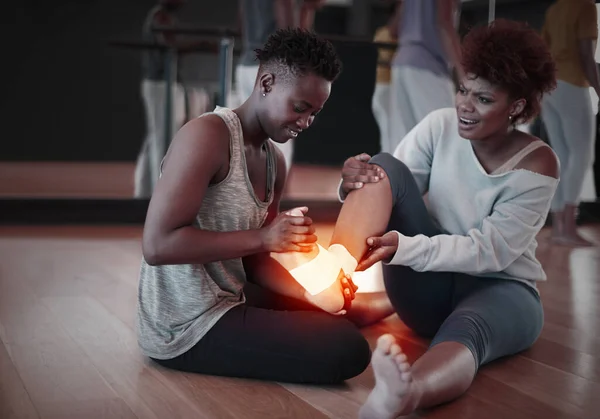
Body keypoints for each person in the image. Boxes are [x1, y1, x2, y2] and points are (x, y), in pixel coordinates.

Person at [136, 28, 392, 385]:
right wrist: (265, 237)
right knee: (348, 347)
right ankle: (361, 312)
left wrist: (309, 292)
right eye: (300, 108)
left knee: (333, 305)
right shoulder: (207, 135)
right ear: (267, 83)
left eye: (314, 113)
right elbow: (158, 245)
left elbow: (255, 260)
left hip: (233, 298)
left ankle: (364, 307)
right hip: (186, 324)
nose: (305, 122)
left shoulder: (274, 161)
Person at [329, 20, 558, 417]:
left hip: (500, 290)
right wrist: (351, 185)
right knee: (385, 165)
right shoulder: (439, 126)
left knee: (468, 328)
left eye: (483, 99)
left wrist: (405, 247)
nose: (464, 105)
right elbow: (390, 187)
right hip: (428, 292)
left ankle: (406, 393)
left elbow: (491, 253)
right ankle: (331, 284)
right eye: (463, 89)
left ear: (516, 106)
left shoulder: (538, 163)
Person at [236, 0, 325, 175]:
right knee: (279, 140)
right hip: (273, 66)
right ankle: (271, 198)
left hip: (247, 63)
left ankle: (254, 197)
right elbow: (285, 17)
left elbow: (241, 23)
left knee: (249, 138)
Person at [135, 0, 210, 198]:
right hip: (160, 83)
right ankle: (159, 194)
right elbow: (170, 45)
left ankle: (144, 193)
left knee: (155, 138)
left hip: (161, 82)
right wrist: (201, 44)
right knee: (163, 139)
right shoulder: (161, 16)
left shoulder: (163, 15)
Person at [540, 0, 600, 246]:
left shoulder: (554, 9)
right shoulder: (585, 7)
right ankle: (569, 228)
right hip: (572, 84)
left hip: (549, 87)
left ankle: (558, 229)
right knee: (582, 155)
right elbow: (586, 55)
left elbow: (543, 50)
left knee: (561, 157)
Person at [389, 0, 464, 148]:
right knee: (448, 136)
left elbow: (394, 29)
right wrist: (464, 73)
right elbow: (444, 23)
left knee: (406, 144)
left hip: (402, 62)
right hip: (427, 64)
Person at [371, 1, 402, 154]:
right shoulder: (383, 33)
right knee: (389, 131)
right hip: (385, 87)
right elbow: (386, 60)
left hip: (394, 89)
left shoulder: (404, 36)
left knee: (394, 130)